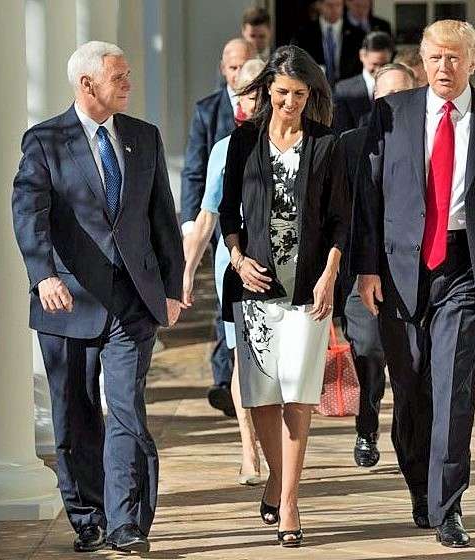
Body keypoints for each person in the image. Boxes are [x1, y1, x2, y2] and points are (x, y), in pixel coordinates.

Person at [354, 20, 475, 547]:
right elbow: (370, 199)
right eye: (435, 58)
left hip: (465, 267)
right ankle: (420, 486)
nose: (444, 69)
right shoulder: (391, 113)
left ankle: (449, 505)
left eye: (455, 59)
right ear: (421, 61)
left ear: (473, 62)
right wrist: (366, 268)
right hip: (400, 270)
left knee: (454, 388)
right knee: (410, 390)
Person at [12, 41, 184, 553]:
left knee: (127, 410)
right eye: (120, 76)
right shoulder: (45, 141)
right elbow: (29, 213)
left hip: (133, 302)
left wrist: (172, 288)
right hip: (67, 302)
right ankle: (89, 518)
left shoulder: (143, 137)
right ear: (88, 84)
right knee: (75, 416)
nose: (129, 83)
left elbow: (162, 219)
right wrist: (43, 275)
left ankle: (127, 522)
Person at [218, 45, 350, 547]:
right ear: (267, 91)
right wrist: (236, 257)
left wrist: (330, 275)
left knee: (298, 395)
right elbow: (228, 212)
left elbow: (341, 219)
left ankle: (291, 500)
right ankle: (277, 476)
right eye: (281, 93)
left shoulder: (327, 144)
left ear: (310, 95)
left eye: (299, 94)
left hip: (309, 286)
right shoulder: (243, 141)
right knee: (262, 398)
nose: (290, 102)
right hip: (254, 285)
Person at [183, 59, 267, 487]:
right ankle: (249, 450)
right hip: (234, 264)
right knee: (244, 360)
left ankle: (276, 445)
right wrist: (185, 272)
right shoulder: (224, 149)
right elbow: (205, 219)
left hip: (286, 264)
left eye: (261, 92)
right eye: (248, 95)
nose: (255, 102)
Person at [337, 62, 416, 468]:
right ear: (374, 100)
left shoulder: (430, 144)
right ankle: (367, 425)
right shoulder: (349, 145)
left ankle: (409, 437)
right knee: (367, 351)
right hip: (360, 270)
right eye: (388, 97)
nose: (396, 105)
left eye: (404, 96)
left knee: (410, 363)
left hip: (414, 273)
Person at [182, 37, 254, 418]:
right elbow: (196, 174)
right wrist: (190, 225)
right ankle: (225, 383)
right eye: (233, 67)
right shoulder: (209, 115)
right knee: (227, 320)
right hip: (225, 237)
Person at [333, 31, 394, 133]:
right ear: (362, 56)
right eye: (374, 64)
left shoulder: (398, 86)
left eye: (384, 64)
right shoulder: (344, 90)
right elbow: (342, 131)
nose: (379, 70)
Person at [292, 0, 365, 85]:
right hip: (315, 88)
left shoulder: (358, 35)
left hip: (348, 89)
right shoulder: (303, 34)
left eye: (338, 5)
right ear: (319, 6)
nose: (334, 9)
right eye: (329, 5)